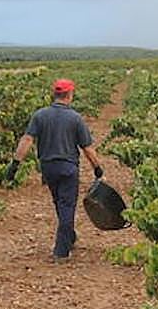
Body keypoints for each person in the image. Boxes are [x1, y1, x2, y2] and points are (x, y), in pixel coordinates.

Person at [6, 78, 106, 262]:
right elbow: (87, 148)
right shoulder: (75, 118)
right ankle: (61, 251)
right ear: (70, 95)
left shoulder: (40, 115)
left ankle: (70, 236)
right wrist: (97, 168)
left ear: (55, 94)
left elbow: (27, 140)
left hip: (48, 168)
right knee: (67, 205)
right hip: (68, 168)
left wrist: (15, 164)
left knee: (60, 203)